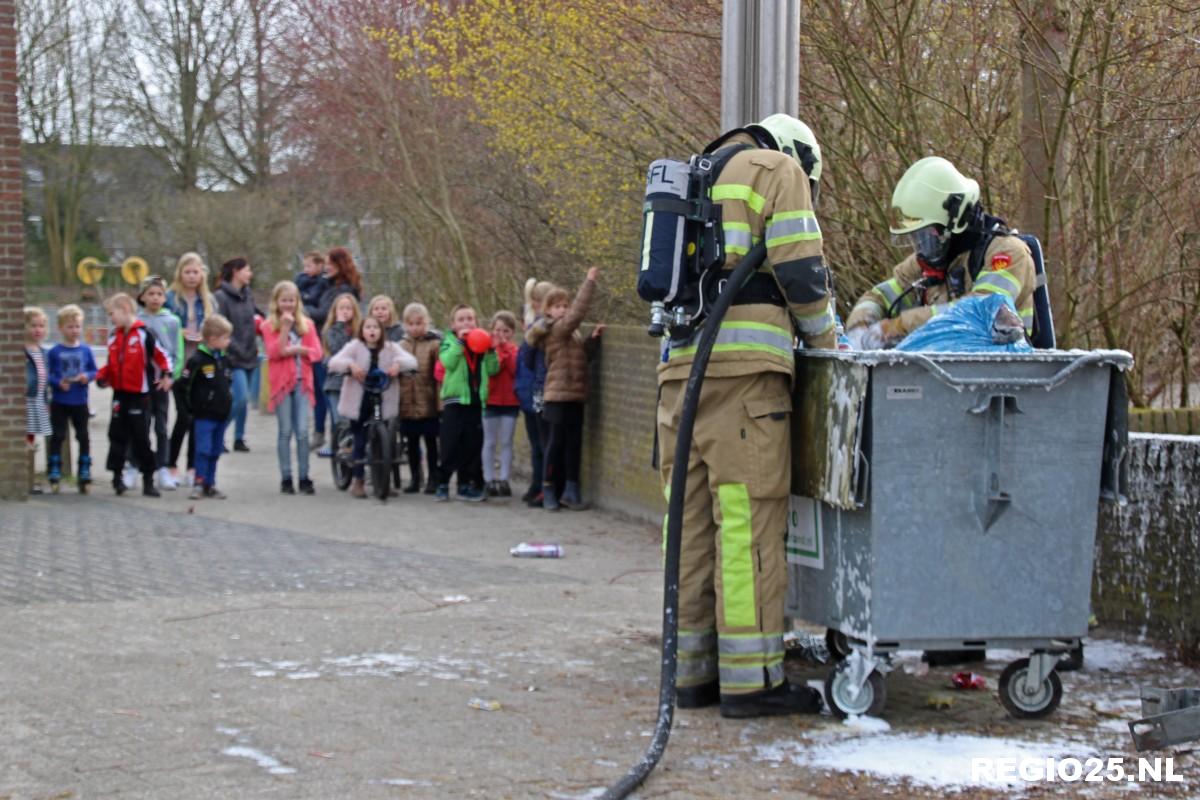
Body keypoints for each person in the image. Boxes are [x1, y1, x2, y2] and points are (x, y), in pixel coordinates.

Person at [656, 114, 836, 717]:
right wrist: (826, 346)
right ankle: (752, 681)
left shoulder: (692, 179)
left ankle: (690, 674)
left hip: (680, 378)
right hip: (744, 383)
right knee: (747, 526)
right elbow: (802, 275)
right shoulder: (776, 170)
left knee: (689, 528)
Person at [845, 156, 1037, 348]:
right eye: (916, 237)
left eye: (926, 234)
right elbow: (880, 295)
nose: (920, 245)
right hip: (944, 372)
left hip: (1001, 373)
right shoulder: (931, 258)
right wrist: (860, 326)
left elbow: (981, 314)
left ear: (954, 221)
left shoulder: (1008, 254)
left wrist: (899, 326)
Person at [526, 271, 605, 511]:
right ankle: (548, 487)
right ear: (548, 311)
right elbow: (577, 314)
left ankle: (571, 490)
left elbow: (583, 357)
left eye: (565, 305)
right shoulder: (556, 330)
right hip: (556, 396)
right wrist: (589, 282)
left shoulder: (573, 335)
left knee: (574, 444)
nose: (562, 309)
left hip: (575, 395)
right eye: (557, 306)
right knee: (555, 444)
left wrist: (592, 341)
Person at [327, 316, 416, 498]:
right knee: (360, 439)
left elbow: (412, 362)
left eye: (376, 327)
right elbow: (334, 363)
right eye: (368, 327)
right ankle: (358, 480)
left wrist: (398, 365)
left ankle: (383, 481)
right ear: (362, 330)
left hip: (381, 398)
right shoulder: (354, 346)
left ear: (381, 331)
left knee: (384, 440)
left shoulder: (391, 348)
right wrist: (350, 365)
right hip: (359, 400)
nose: (372, 331)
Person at [95, 293, 174, 497]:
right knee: (116, 436)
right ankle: (117, 477)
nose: (111, 318)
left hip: (140, 395)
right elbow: (112, 365)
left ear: (125, 309)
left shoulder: (144, 334)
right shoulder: (114, 336)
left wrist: (167, 374)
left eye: (112, 313)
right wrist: (102, 377)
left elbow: (162, 355)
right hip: (119, 395)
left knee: (141, 438)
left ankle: (148, 479)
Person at [260, 280, 323, 495]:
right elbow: (274, 352)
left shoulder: (308, 324)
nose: (288, 304)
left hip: (302, 382)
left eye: (292, 300)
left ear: (298, 302)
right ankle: (286, 477)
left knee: (303, 432)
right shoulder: (269, 325)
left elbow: (316, 353)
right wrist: (285, 330)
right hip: (282, 385)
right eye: (284, 300)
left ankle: (304, 476)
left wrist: (297, 349)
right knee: (285, 431)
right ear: (276, 302)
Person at [433, 304, 498, 502]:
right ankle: (442, 483)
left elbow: (493, 369)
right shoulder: (448, 342)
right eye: (461, 319)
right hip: (454, 402)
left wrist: (491, 351)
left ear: (476, 322)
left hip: (476, 402)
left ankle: (465, 485)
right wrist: (460, 343)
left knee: (472, 445)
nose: (466, 323)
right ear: (453, 325)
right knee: (450, 444)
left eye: (470, 318)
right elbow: (448, 363)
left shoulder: (482, 345)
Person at [166, 252, 216, 486]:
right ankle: (171, 463)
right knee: (183, 417)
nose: (192, 276)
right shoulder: (170, 298)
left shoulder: (208, 300)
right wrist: (180, 332)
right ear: (180, 273)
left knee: (198, 417)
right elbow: (162, 328)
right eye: (188, 272)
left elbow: (217, 328)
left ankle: (193, 466)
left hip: (201, 362)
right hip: (179, 363)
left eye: (196, 272)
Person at [136, 275, 185, 490]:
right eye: (151, 294)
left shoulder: (173, 322)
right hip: (140, 385)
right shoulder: (137, 321)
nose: (155, 298)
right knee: (140, 427)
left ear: (165, 297)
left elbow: (178, 353)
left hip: (161, 383)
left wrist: (170, 377)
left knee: (162, 427)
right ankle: (137, 466)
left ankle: (163, 468)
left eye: (159, 294)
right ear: (142, 296)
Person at [180, 314, 234, 500]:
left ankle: (210, 483)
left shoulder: (224, 359)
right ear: (213, 339)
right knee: (202, 450)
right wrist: (191, 409)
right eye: (226, 337)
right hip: (203, 416)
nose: (229, 341)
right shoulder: (197, 360)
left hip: (221, 415)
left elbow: (228, 382)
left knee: (215, 450)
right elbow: (185, 386)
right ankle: (198, 482)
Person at [214, 257, 264, 452]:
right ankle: (218, 434)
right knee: (240, 397)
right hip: (233, 357)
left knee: (245, 402)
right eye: (247, 270)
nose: (250, 274)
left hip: (251, 353)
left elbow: (259, 316)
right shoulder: (221, 297)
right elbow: (221, 327)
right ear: (236, 271)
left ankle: (239, 438)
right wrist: (237, 348)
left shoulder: (248, 294)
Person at [46, 304, 97, 492]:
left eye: (77, 326)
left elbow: (94, 370)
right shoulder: (54, 352)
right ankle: (54, 469)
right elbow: (49, 375)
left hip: (80, 401)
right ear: (60, 328)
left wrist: (87, 377)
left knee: (83, 436)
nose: (74, 330)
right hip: (60, 401)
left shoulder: (86, 350)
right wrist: (58, 382)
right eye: (70, 326)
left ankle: (84, 470)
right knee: (58, 436)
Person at [517, 280, 555, 507]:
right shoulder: (535, 328)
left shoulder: (539, 329)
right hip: (532, 392)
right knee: (539, 444)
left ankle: (541, 485)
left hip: (536, 392)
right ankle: (538, 484)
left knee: (541, 444)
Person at [397, 302, 442, 494]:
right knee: (412, 444)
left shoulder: (434, 345)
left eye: (419, 323)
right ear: (406, 325)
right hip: (407, 403)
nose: (415, 328)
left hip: (428, 402)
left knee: (431, 443)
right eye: (411, 324)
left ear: (426, 323)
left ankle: (434, 477)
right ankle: (416, 477)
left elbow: (439, 376)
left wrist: (440, 404)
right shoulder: (400, 346)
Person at [318, 293, 362, 456]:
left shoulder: (360, 331)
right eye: (341, 308)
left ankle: (351, 450)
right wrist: (340, 325)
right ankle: (339, 451)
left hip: (355, 382)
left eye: (348, 308)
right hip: (335, 383)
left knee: (354, 420)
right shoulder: (331, 330)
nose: (345, 311)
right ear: (335, 311)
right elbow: (338, 350)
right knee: (340, 420)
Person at [296, 251, 331, 451]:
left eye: (310, 266)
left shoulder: (324, 285)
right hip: (306, 342)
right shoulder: (300, 282)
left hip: (319, 341)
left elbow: (321, 312)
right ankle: (317, 431)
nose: (306, 270)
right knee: (315, 390)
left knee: (322, 388)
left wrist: (305, 310)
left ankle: (322, 431)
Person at [482, 310, 520, 498]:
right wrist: (498, 351)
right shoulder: (488, 351)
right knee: (489, 442)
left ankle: (504, 479)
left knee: (506, 442)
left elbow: (514, 370)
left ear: (512, 332)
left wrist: (505, 350)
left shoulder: (515, 351)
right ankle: (488, 479)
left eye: (506, 331)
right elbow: (492, 371)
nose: (501, 335)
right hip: (491, 401)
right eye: (498, 330)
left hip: (510, 402)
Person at [24, 307, 52, 495]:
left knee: (31, 440)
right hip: (25, 401)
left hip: (38, 401)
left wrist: (47, 401)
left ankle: (29, 479)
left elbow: (46, 380)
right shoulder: (22, 351)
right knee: (24, 440)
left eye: (41, 326)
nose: (38, 330)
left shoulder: (43, 352)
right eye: (33, 325)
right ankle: (24, 480)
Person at [312, 247, 363, 332]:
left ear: (341, 265)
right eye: (326, 264)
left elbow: (324, 314)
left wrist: (302, 309)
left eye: (330, 264)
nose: (326, 268)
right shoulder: (330, 286)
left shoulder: (343, 290)